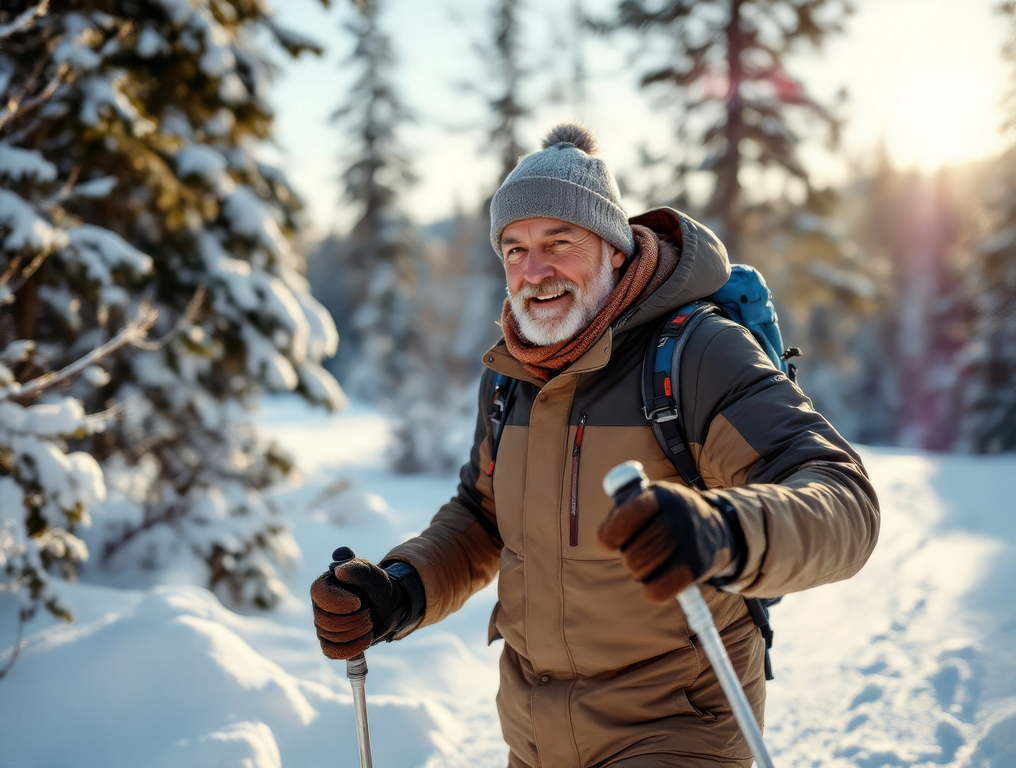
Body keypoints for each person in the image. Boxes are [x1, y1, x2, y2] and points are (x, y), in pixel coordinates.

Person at [310, 123, 880, 767]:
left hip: (674, 727)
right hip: (532, 735)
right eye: (515, 249)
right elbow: (481, 517)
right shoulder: (510, 374)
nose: (535, 271)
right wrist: (401, 588)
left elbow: (845, 502)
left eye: (560, 242)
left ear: (613, 248)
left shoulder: (697, 353)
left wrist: (723, 529)